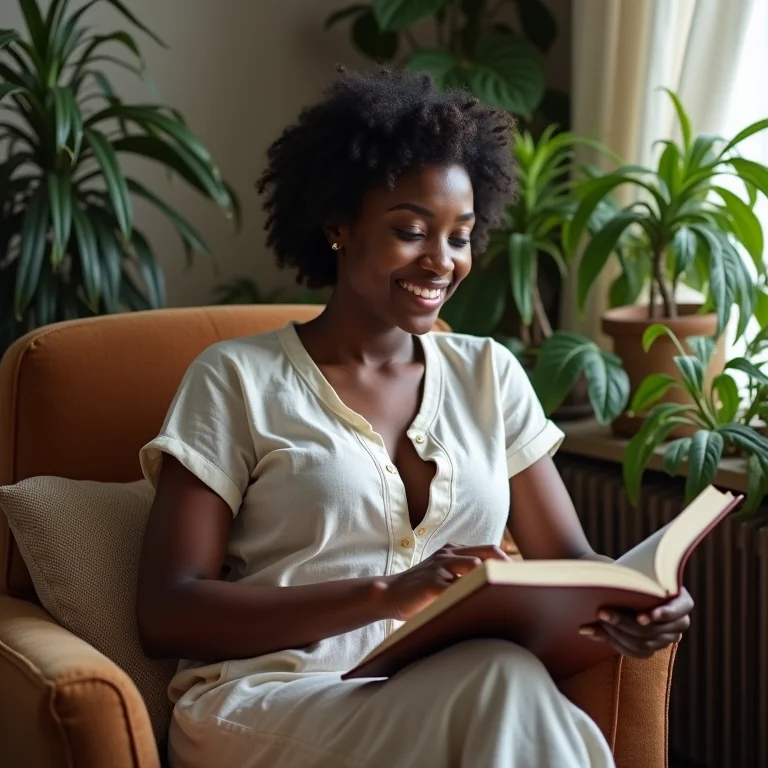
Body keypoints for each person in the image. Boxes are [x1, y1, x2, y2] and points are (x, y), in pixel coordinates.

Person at [136, 67, 693, 768]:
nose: (442, 260)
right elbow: (167, 612)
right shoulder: (238, 380)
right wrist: (386, 593)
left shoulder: (488, 373)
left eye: (460, 236)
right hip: (272, 700)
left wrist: (637, 601)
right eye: (411, 230)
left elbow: (568, 562)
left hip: (450, 692)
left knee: (503, 679)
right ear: (339, 225)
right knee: (500, 684)